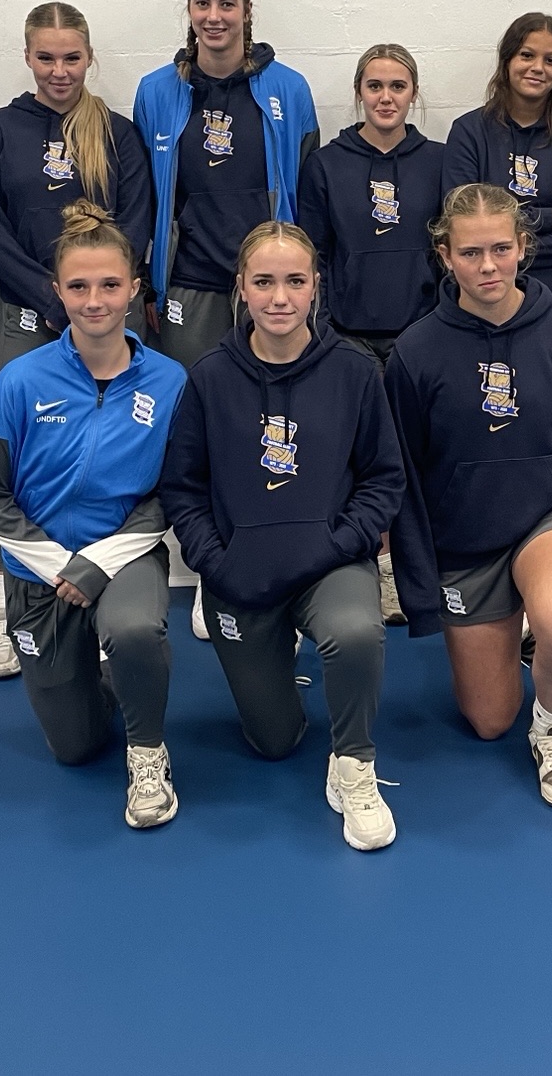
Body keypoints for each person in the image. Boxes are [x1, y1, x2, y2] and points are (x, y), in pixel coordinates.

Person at [159, 223, 405, 850]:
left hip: (328, 564)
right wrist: (215, 563)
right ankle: (278, 664)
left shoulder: (354, 371)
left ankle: (353, 762)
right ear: (241, 287)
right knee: (273, 742)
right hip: (241, 574)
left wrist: (339, 543)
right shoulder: (209, 377)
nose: (279, 297)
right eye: (264, 281)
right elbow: (183, 489)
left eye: (295, 281)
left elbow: (383, 479)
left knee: (355, 632)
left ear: (316, 286)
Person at [386, 183, 552, 808]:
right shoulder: (414, 352)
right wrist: (419, 587)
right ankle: (518, 622)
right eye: (471, 253)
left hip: (551, 516)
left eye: (500, 248)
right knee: (491, 719)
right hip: (465, 538)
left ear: (524, 247)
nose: (488, 266)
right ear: (446, 256)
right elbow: (404, 476)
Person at [0, 202, 189, 828]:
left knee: (135, 630)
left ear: (134, 288)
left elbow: (173, 492)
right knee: (76, 746)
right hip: (40, 570)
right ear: (57, 291)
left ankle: (148, 751)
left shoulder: (170, 382)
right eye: (79, 286)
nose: (95, 301)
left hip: (126, 555)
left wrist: (98, 563)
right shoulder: (19, 381)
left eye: (110, 285)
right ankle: (99, 674)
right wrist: (61, 565)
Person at [0, 1, 154, 678]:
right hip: (28, 315)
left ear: (89, 57)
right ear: (27, 58)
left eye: (72, 57)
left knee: (110, 458)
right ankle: (6, 610)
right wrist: (53, 300)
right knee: (23, 463)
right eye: (46, 57)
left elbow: (136, 221)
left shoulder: (119, 133)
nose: (59, 70)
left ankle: (103, 598)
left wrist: (95, 299)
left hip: (107, 314)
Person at [131, 0, 318, 370]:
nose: (213, 17)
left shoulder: (290, 89)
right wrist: (147, 283)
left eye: (227, 4)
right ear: (189, 9)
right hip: (187, 284)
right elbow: (145, 199)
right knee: (191, 397)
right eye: (202, 3)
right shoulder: (155, 92)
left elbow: (307, 195)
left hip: (268, 284)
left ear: (247, 11)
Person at [441, 14, 552, 342]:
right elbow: (461, 225)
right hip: (488, 293)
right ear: (507, 60)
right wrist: (548, 219)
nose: (538, 67)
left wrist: (502, 244)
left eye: (551, 60)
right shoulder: (469, 132)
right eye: (527, 55)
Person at [297, 43, 445, 366]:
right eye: (375, 86)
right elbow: (313, 255)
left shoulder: (440, 161)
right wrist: (324, 329)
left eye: (398, 86)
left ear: (414, 93)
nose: (386, 97)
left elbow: (451, 251)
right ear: (359, 92)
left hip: (422, 335)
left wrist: (442, 325)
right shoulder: (324, 164)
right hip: (347, 337)